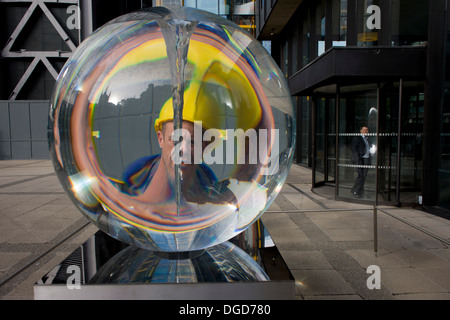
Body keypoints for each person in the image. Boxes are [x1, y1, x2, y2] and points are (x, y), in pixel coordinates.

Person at [351, 125, 371, 198]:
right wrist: (357, 160)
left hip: (366, 159)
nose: (366, 132)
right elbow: (354, 149)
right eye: (364, 130)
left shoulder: (367, 139)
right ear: (361, 131)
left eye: (367, 130)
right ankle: (355, 190)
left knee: (364, 176)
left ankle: (360, 192)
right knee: (361, 176)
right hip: (360, 159)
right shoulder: (357, 138)